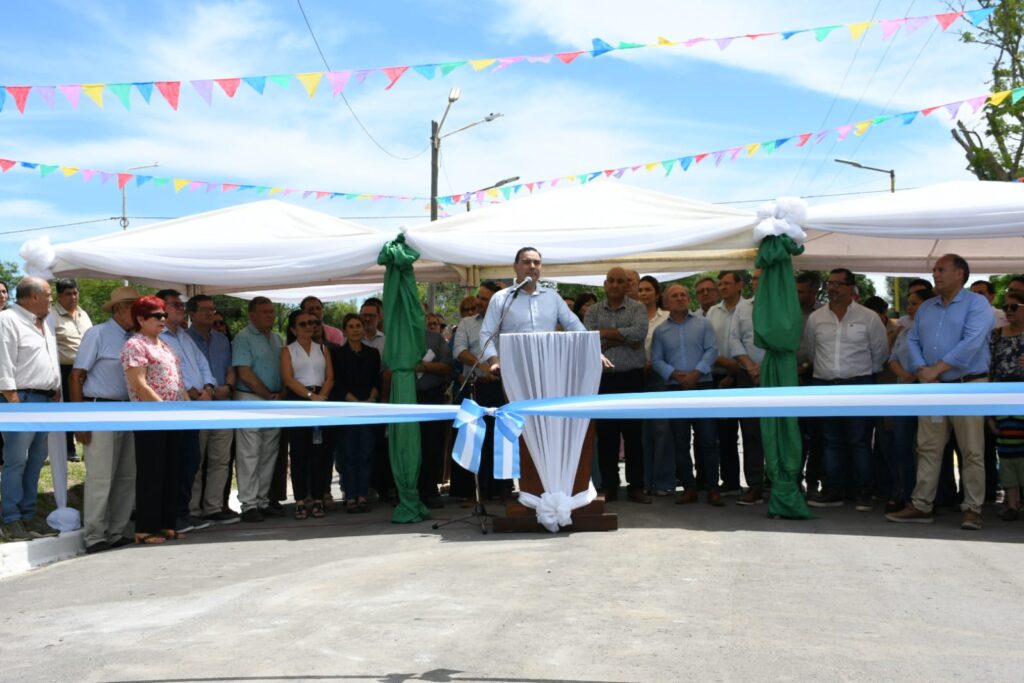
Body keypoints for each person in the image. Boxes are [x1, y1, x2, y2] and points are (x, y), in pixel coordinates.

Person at [887, 254, 993, 530]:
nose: (935, 274)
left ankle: (972, 509)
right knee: (928, 447)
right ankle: (921, 505)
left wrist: (937, 369)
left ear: (959, 274)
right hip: (933, 387)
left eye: (941, 269)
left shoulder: (977, 304)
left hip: (968, 385)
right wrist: (923, 369)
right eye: (934, 269)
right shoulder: (927, 307)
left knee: (972, 450)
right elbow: (912, 339)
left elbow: (972, 342)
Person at [801, 268, 889, 510]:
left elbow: (880, 353)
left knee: (859, 440)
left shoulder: (868, 317)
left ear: (851, 288)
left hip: (859, 385)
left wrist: (860, 374)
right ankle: (834, 491)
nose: (832, 288)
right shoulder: (816, 318)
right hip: (824, 385)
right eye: (829, 283)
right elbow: (811, 351)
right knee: (831, 441)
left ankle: (864, 494)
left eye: (838, 284)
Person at [70, 286, 139, 554]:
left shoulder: (135, 338)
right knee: (101, 476)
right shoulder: (97, 334)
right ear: (120, 309)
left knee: (126, 475)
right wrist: (80, 421)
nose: (138, 314)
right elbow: (76, 376)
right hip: (100, 408)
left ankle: (116, 531)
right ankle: (95, 535)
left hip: (127, 410)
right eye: (134, 307)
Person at [121, 295, 188, 545]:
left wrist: (188, 410)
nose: (162, 319)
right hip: (150, 417)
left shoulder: (165, 345)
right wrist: (163, 411)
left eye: (164, 315)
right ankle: (145, 528)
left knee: (172, 470)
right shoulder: (135, 345)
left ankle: (167, 523)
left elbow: (177, 381)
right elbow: (138, 384)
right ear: (140, 319)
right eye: (156, 316)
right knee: (151, 471)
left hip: (174, 417)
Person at [0, 277, 61, 541]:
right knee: (16, 460)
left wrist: (55, 387)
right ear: (33, 297)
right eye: (48, 294)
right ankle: (11, 518)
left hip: (44, 400)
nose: (51, 299)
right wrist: (13, 402)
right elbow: (3, 364)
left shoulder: (43, 323)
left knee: (36, 460)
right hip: (20, 400)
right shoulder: (7, 320)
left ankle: (28, 514)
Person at [650, 284, 721, 506]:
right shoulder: (660, 331)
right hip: (675, 388)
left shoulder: (703, 324)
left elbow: (712, 350)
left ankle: (712, 487)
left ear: (688, 299)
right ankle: (689, 487)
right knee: (680, 441)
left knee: (708, 439)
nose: (680, 298)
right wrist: (674, 374)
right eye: (675, 296)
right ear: (666, 302)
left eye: (683, 295)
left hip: (703, 386)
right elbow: (656, 359)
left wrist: (696, 373)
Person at [585, 267, 651, 504]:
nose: (615, 285)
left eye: (620, 281)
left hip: (632, 378)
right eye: (611, 281)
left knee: (634, 435)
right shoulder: (593, 311)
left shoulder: (638, 308)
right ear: (605, 284)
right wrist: (622, 338)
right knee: (607, 436)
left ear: (627, 285)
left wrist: (606, 335)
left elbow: (639, 334)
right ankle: (610, 485)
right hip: (603, 380)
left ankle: (636, 486)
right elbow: (589, 339)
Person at [155, 289, 215, 535]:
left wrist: (208, 387)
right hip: (174, 407)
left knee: (190, 460)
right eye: (176, 304)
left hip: (194, 406)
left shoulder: (184, 336)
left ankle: (183, 511)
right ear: (161, 308)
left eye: (182, 304)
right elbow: (170, 372)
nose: (182, 308)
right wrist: (191, 390)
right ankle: (171, 515)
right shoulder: (157, 337)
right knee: (175, 462)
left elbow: (202, 364)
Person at [479, 247, 588, 374]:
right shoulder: (501, 297)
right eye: (526, 262)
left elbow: (574, 325)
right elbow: (486, 333)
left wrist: (594, 351)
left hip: (549, 368)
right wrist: (494, 361)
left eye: (536, 263)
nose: (532, 266)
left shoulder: (552, 296)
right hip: (514, 370)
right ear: (515, 266)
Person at [185, 294, 238, 524]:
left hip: (223, 406)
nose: (210, 313)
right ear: (192, 314)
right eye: (205, 309)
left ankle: (213, 507)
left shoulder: (222, 340)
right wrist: (211, 391)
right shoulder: (185, 339)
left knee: (221, 459)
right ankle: (193, 509)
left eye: (212, 309)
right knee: (195, 460)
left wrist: (229, 386)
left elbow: (230, 368)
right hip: (197, 406)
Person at [232, 296, 286, 523]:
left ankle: (262, 501)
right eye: (264, 312)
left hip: (273, 400)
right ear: (252, 314)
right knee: (250, 453)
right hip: (250, 398)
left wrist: (279, 394)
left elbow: (285, 369)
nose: (270, 315)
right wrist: (267, 394)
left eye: (271, 311)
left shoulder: (277, 338)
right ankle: (249, 504)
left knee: (268, 452)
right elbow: (244, 373)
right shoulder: (243, 337)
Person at [452, 281, 505, 500]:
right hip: (476, 387)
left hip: (502, 388)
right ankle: (468, 491)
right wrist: (483, 367)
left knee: (498, 438)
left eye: (484, 298)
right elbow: (459, 351)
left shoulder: (507, 323)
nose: (478, 301)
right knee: (472, 438)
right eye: (478, 296)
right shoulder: (466, 323)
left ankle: (499, 488)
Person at [280, 309, 334, 519]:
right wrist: (311, 396)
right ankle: (300, 500)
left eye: (312, 323)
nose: (309, 327)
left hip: (321, 399)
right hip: (298, 400)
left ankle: (318, 498)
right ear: (294, 329)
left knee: (319, 452)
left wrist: (322, 397)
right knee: (299, 452)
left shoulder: (323, 349)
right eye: (303, 324)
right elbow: (288, 379)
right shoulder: (288, 350)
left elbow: (330, 377)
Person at [885, 288, 934, 512]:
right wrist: (904, 375)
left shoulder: (934, 332)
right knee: (902, 445)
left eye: (915, 303)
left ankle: (930, 497)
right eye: (909, 303)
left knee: (927, 447)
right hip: (904, 393)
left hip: (926, 393)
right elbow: (892, 358)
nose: (910, 307)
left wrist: (915, 375)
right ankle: (905, 494)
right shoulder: (905, 332)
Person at [332, 313, 380, 513]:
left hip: (368, 410)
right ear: (345, 330)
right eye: (351, 326)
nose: (355, 330)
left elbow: (377, 380)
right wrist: (354, 402)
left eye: (358, 326)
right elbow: (337, 383)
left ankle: (362, 496)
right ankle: (350, 496)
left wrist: (370, 400)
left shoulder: (373, 353)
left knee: (366, 454)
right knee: (348, 455)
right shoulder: (337, 354)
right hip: (347, 410)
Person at [706, 270, 748, 495]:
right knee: (725, 433)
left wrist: (739, 366)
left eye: (727, 283)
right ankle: (730, 481)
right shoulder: (713, 312)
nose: (722, 287)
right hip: (719, 375)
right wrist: (724, 363)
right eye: (720, 284)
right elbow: (707, 344)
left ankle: (758, 483)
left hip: (747, 374)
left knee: (752, 432)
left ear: (739, 285)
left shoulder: (750, 308)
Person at [729, 268, 767, 506]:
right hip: (747, 374)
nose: (755, 282)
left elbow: (788, 340)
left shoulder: (782, 305)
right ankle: (755, 485)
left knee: (776, 430)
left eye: (760, 278)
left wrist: (766, 368)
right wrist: (751, 367)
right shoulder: (743, 307)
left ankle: (780, 482)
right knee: (751, 432)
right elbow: (734, 340)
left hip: (775, 375)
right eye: (753, 279)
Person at [988, 290, 1024, 521]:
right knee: (1007, 451)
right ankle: (1012, 505)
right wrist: (988, 412)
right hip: (1002, 399)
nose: (1007, 311)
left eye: (1013, 307)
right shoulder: (997, 335)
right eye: (1005, 307)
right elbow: (991, 370)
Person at [50, 277, 92, 460]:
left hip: (88, 369)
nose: (73, 297)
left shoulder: (83, 314)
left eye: (75, 293)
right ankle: (69, 448)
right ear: (59, 296)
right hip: (65, 369)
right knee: (67, 409)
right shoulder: (51, 315)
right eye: (68, 294)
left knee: (86, 406)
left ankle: (87, 444)